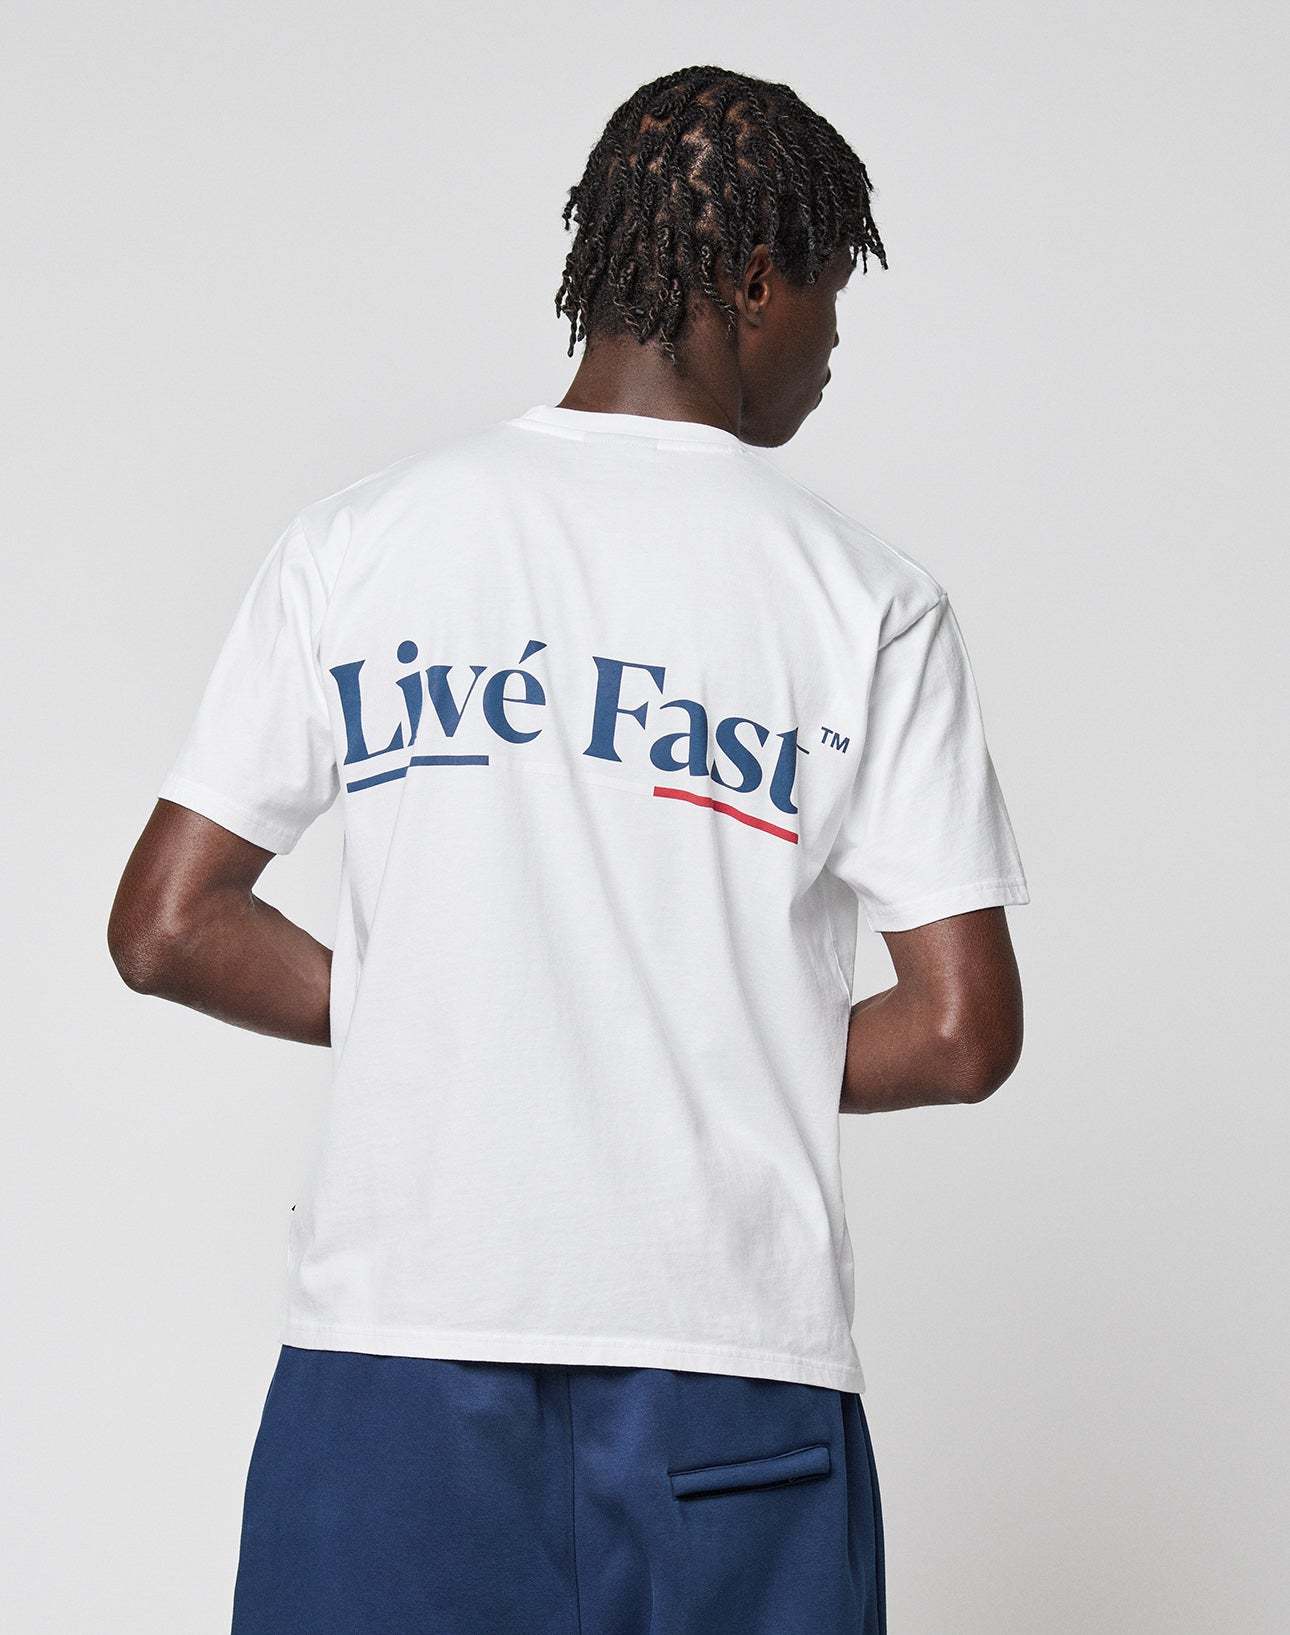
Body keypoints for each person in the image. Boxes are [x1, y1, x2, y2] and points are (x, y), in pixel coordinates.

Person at [108, 64, 1027, 1635]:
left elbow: (170, 924)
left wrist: (453, 1014)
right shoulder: (860, 596)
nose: (829, 345)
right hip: (726, 1372)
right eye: (826, 294)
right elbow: (959, 1030)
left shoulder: (359, 544)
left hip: (392, 1359)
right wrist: (691, 1039)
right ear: (755, 281)